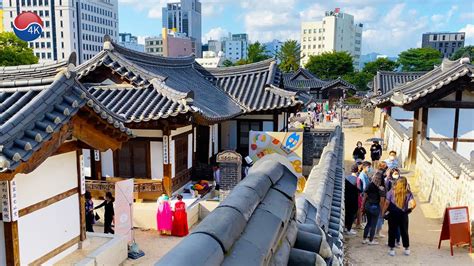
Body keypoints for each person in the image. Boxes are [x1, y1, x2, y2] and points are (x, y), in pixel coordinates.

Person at [384, 176, 415, 256]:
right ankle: (406, 248)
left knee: (392, 231)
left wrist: (383, 212)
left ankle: (392, 249)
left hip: (393, 214)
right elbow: (414, 204)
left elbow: (387, 203)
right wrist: (409, 210)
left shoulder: (391, 192)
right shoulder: (408, 193)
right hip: (403, 214)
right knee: (404, 231)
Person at [361, 172, 386, 245]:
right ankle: (371, 240)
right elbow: (381, 201)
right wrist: (382, 211)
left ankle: (364, 239)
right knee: (373, 224)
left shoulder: (369, 185)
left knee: (368, 223)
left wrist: (363, 206)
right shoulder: (382, 189)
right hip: (375, 207)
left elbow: (365, 196)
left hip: (368, 205)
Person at [344, 164, 361, 235]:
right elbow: (360, 190)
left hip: (346, 199)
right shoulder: (358, 179)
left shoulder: (346, 178)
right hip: (354, 200)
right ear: (357, 171)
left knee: (346, 213)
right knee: (351, 215)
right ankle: (349, 229)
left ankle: (345, 227)